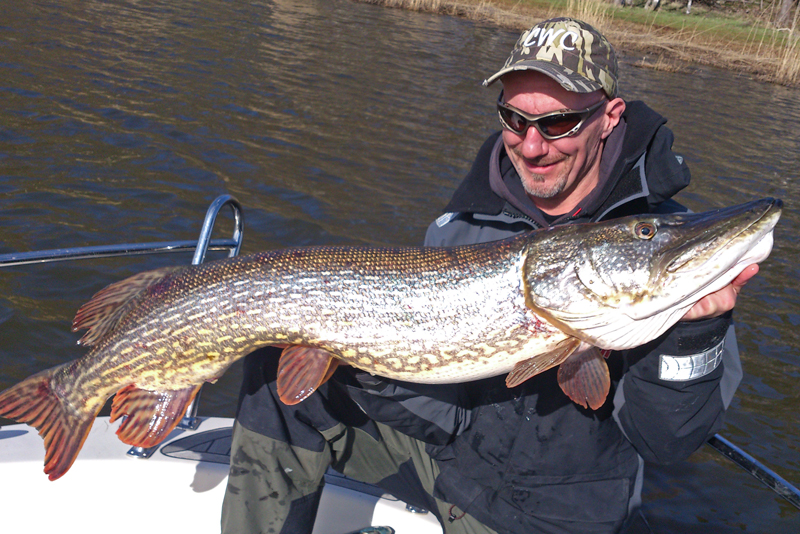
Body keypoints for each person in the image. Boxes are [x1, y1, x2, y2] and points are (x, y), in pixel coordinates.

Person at [221, 18, 751, 534]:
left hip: (564, 517)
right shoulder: (466, 225)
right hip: (450, 471)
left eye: (558, 123)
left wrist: (692, 334)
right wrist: (370, 357)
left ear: (609, 117)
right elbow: (446, 413)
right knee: (273, 375)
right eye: (514, 120)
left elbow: (668, 442)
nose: (532, 145)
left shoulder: (653, 242)